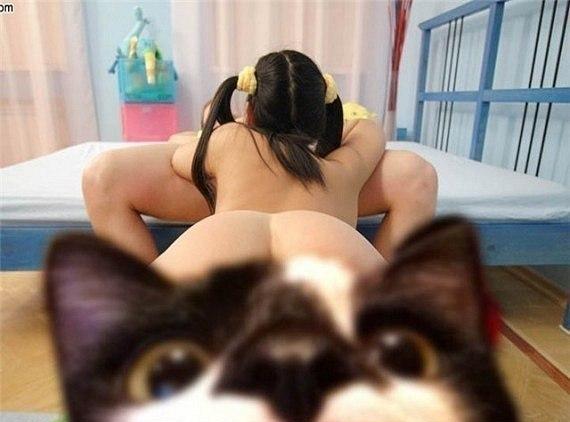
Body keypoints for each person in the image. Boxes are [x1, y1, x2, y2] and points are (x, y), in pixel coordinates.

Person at [83, 50, 437, 277]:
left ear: (250, 110)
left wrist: (215, 135)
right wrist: (327, 126)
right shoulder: (345, 167)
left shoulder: (231, 139)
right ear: (321, 118)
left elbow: (180, 157)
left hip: (224, 258)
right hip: (332, 263)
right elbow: (368, 130)